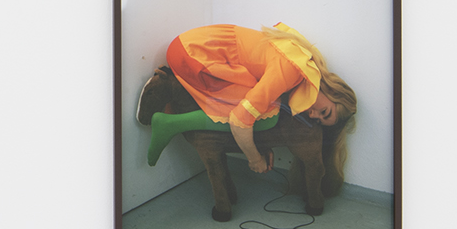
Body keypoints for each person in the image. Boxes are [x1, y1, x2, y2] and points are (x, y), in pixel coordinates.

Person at [140, 23, 353, 177]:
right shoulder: (292, 72)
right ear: (331, 90)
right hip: (192, 56)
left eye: (318, 120)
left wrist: (263, 146)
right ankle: (169, 124)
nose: (312, 115)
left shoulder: (303, 62)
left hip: (188, 46)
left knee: (265, 107)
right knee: (266, 116)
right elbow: (239, 120)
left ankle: (171, 120)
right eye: (324, 112)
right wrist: (255, 158)